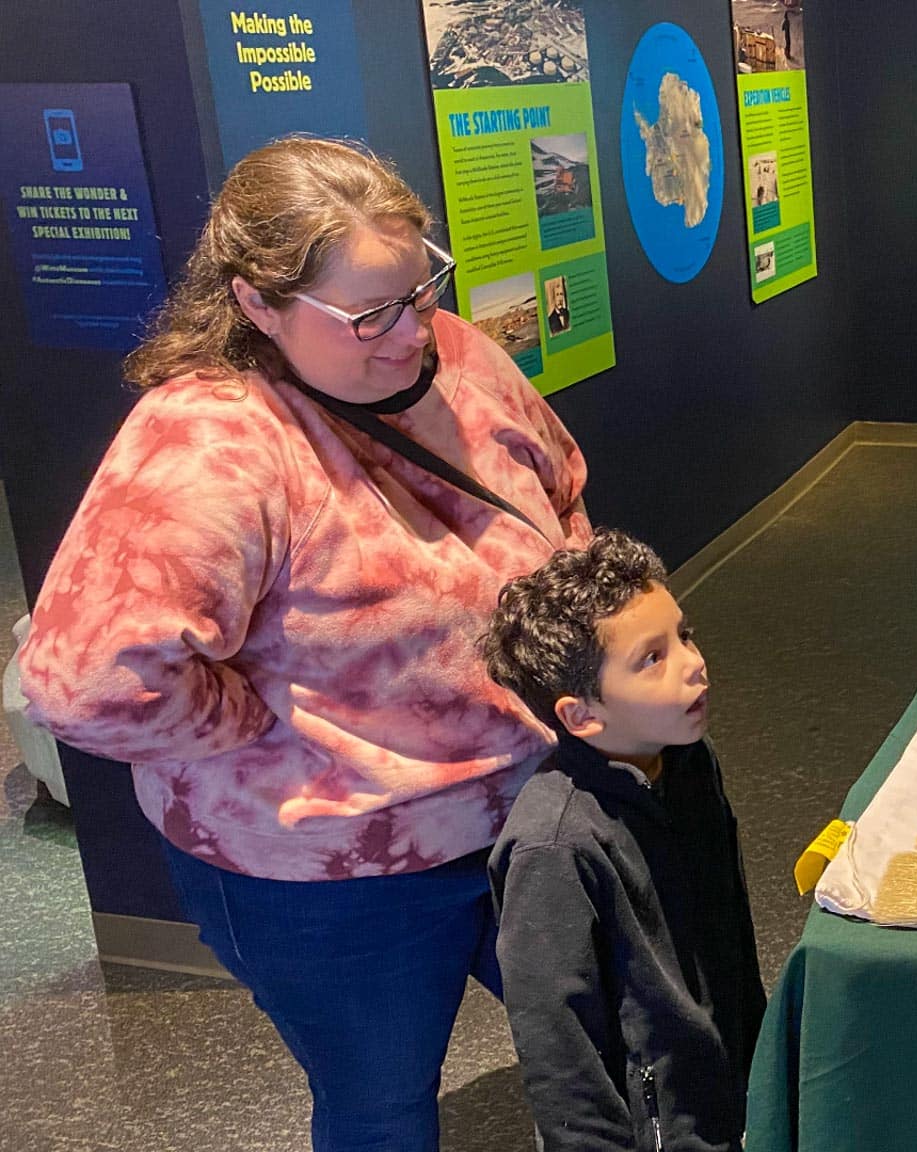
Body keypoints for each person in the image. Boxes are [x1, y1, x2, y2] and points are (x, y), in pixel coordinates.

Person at [19, 137, 592, 1151]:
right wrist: (258, 720)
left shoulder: (460, 357)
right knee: (379, 1108)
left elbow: (562, 492)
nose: (409, 332)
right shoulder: (211, 439)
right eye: (367, 312)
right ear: (256, 304)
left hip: (528, 810)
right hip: (332, 871)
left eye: (420, 289)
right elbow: (84, 684)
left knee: (608, 1047)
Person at [480, 530, 764, 1152]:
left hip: (726, 1090)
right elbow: (559, 1048)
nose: (694, 661)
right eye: (652, 658)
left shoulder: (687, 763)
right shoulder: (553, 847)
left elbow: (727, 933)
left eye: (683, 634)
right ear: (581, 715)